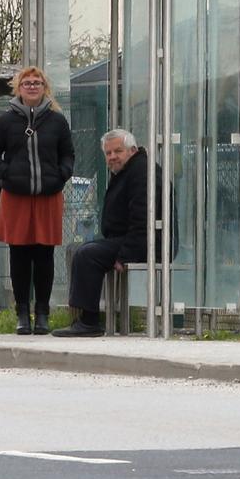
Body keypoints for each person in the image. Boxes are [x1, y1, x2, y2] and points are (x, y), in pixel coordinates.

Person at [0, 66, 75, 335]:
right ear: (18, 88)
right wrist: (6, 173)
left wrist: (61, 176)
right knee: (19, 255)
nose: (32, 87)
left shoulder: (57, 121)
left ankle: (43, 313)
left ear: (45, 87)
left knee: (44, 255)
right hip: (16, 196)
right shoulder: (6, 121)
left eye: (37, 83)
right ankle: (22, 313)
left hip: (48, 195)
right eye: (27, 83)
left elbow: (68, 155)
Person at [53, 129, 159, 337]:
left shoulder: (141, 173)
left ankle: (89, 321)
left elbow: (143, 220)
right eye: (108, 153)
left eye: (117, 151)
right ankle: (81, 318)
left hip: (146, 243)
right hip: (129, 239)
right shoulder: (128, 171)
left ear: (132, 150)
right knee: (78, 248)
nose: (112, 157)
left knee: (88, 254)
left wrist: (125, 255)